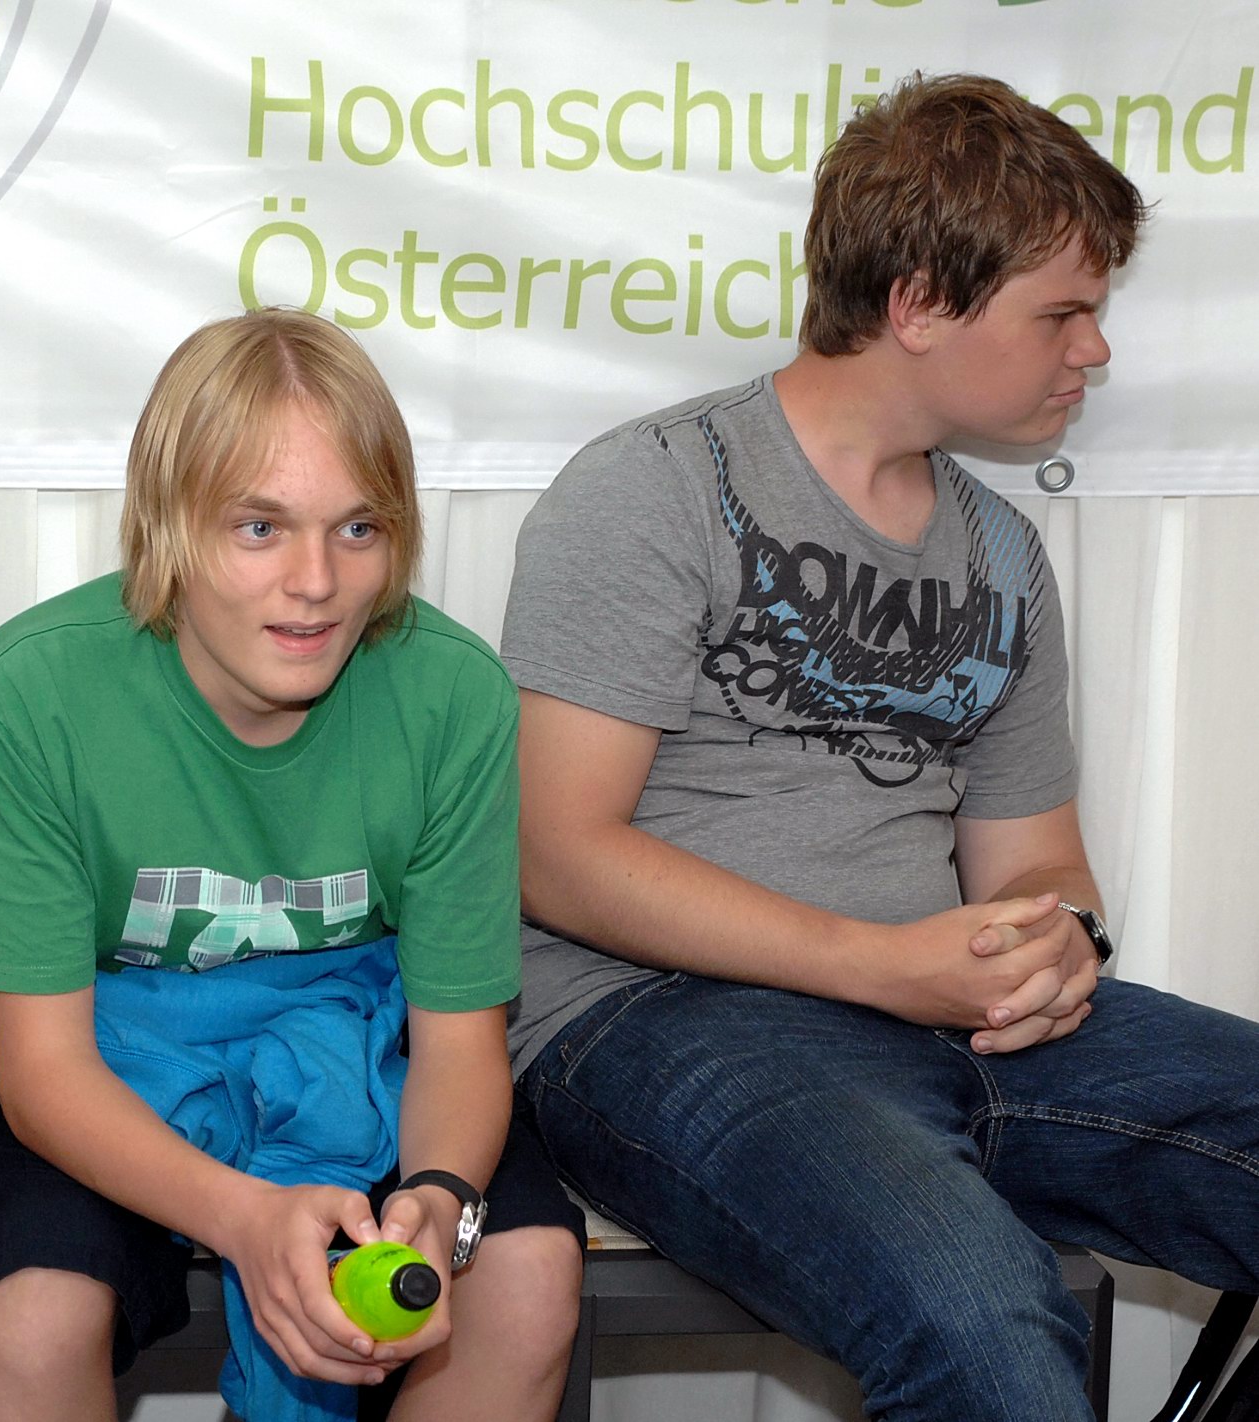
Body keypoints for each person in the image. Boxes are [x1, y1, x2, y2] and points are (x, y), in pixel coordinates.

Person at [500, 71, 1259, 1421]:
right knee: (982, 1316)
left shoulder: (1004, 553)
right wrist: (881, 967)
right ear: (918, 304)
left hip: (957, 1020)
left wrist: (1059, 942)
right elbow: (553, 856)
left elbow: (1036, 863)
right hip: (660, 1020)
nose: (1094, 350)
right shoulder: (653, 485)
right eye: (1063, 313)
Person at [0, 308, 581, 1422]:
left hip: (354, 1047)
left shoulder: (452, 693)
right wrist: (246, 1219)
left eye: (357, 528)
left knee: (526, 1279)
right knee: (35, 1317)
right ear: (166, 527)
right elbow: (46, 1070)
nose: (316, 580)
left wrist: (438, 1205)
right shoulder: (37, 688)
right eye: (260, 527)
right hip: (98, 1059)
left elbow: (458, 1042)